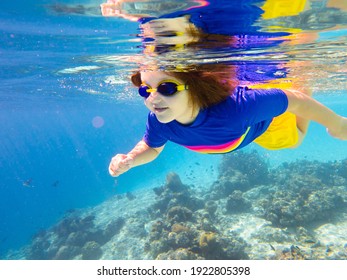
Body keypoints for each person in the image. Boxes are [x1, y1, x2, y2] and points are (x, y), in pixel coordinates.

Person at [108, 66, 347, 177]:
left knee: (292, 140)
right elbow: (152, 147)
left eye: (167, 88)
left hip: (264, 125)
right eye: (145, 90)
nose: (152, 98)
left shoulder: (237, 108)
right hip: (239, 133)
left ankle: (300, 72)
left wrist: (336, 124)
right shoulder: (159, 120)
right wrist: (131, 159)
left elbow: (296, 102)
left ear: (196, 87)